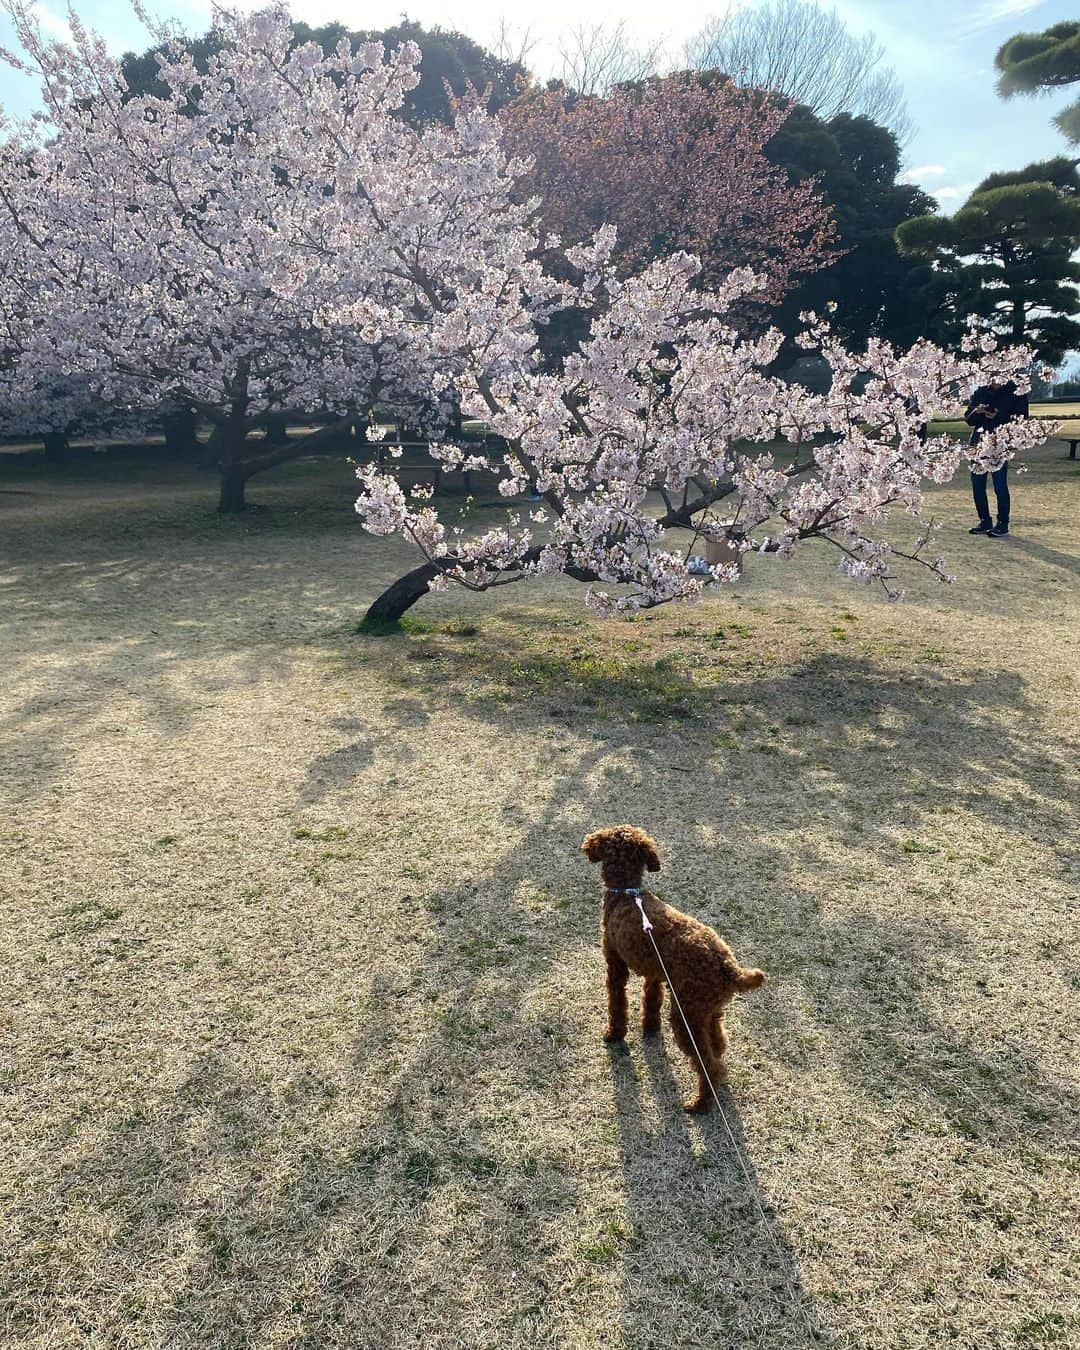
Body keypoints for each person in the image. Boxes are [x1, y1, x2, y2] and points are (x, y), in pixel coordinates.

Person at [964, 380, 1029, 537]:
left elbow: (1021, 419)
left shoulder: (1016, 391)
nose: (994, 378)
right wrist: (977, 412)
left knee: (1000, 485)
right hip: (978, 441)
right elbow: (968, 418)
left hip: (1000, 442)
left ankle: (1003, 523)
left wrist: (998, 416)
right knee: (977, 484)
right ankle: (984, 520)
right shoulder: (981, 390)